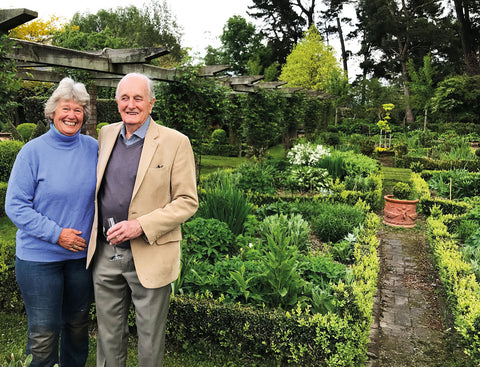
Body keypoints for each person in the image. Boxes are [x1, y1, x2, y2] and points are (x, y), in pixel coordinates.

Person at [86, 72, 198, 366]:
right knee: (108, 334)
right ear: (117, 101)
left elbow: (187, 201)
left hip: (150, 253)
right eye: (125, 98)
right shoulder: (106, 133)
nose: (131, 104)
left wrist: (140, 225)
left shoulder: (176, 142)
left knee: (149, 338)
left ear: (151, 103)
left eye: (138, 98)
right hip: (106, 253)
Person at [5, 77, 98, 367]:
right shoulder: (32, 152)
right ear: (51, 113)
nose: (72, 115)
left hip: (81, 257)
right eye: (65, 109)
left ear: (84, 115)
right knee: (44, 333)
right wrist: (57, 234)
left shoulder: (94, 149)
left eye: (78, 110)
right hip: (38, 259)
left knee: (78, 326)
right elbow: (15, 205)